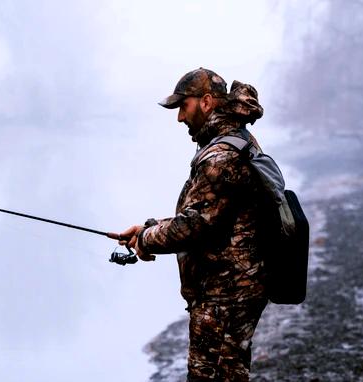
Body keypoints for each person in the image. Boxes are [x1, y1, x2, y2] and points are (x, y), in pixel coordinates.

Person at [118, 68, 268, 381]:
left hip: (225, 293)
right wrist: (148, 228)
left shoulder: (221, 155)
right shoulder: (234, 141)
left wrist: (146, 240)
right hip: (232, 287)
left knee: (214, 376)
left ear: (206, 102)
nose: (179, 118)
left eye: (182, 107)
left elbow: (196, 225)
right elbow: (210, 213)